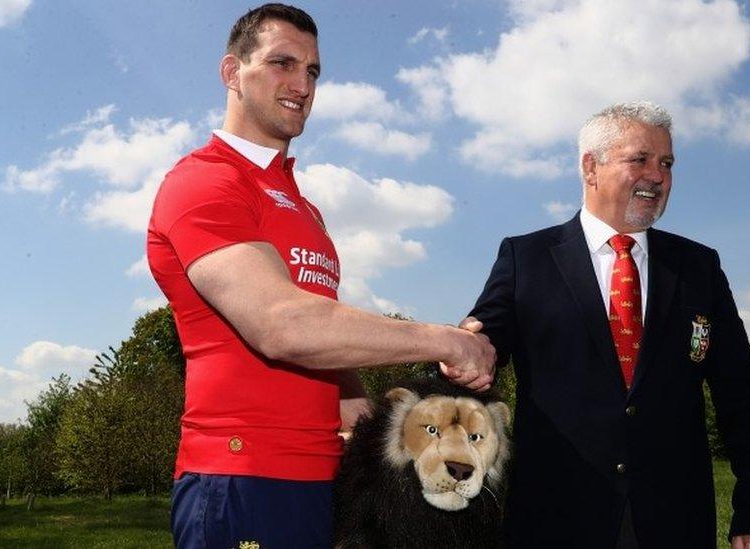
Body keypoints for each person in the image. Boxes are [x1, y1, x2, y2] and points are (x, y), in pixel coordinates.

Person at [146, 4, 494, 547]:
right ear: (232, 72)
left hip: (322, 477)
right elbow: (282, 325)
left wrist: (374, 412)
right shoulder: (204, 182)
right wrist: (441, 339)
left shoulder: (304, 209)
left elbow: (324, 344)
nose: (301, 84)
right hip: (243, 476)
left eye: (312, 72)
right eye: (282, 63)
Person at [465, 102, 750, 548]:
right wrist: (467, 349)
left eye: (667, 163)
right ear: (590, 167)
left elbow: (743, 396)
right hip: (556, 522)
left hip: (675, 523)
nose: (657, 176)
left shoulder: (698, 267)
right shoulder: (527, 259)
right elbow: (482, 345)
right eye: (640, 159)